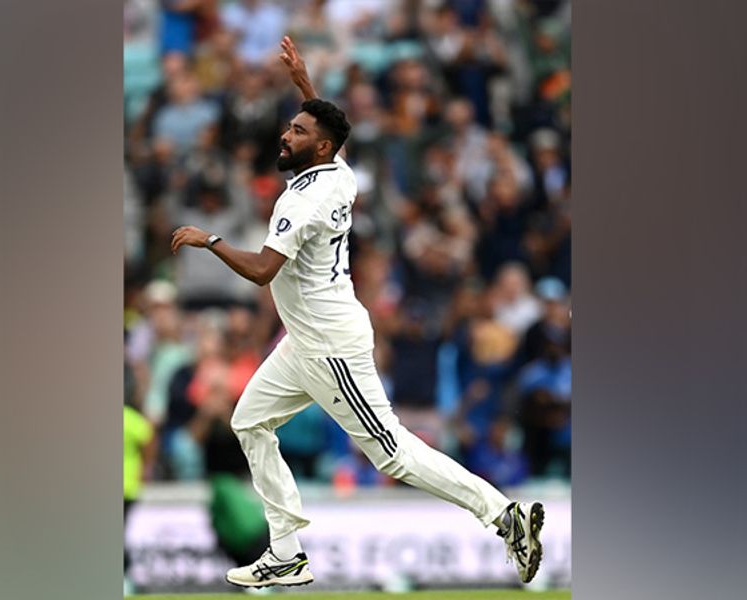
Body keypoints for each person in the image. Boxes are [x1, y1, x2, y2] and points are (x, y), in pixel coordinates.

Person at [170, 36, 545, 588]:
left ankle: (503, 515)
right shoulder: (336, 172)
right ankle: (285, 550)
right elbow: (331, 133)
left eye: (298, 131)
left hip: (329, 346)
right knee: (248, 421)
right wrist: (303, 83)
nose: (286, 134)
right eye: (290, 126)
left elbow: (262, 270)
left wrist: (210, 240)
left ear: (319, 147)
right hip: (304, 340)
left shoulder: (305, 200)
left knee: (392, 453)